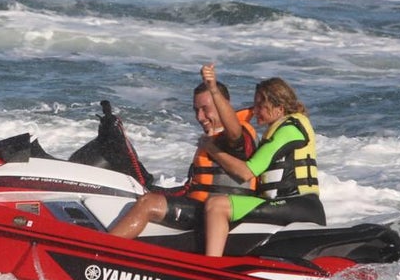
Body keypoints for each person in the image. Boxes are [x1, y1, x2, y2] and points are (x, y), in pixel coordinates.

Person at [108, 64, 257, 240]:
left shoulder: (236, 135)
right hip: (200, 206)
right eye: (196, 110)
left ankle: (101, 250)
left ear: (223, 105)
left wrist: (213, 89)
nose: (199, 117)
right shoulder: (211, 138)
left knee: (148, 204)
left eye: (205, 109)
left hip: (219, 213)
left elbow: (234, 133)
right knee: (143, 197)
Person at [200, 76, 325, 257]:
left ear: (279, 108)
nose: (255, 110)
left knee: (217, 205)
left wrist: (211, 149)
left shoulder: (289, 130)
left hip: (299, 205)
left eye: (260, 106)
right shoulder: (279, 129)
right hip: (291, 205)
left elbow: (245, 172)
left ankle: (209, 267)